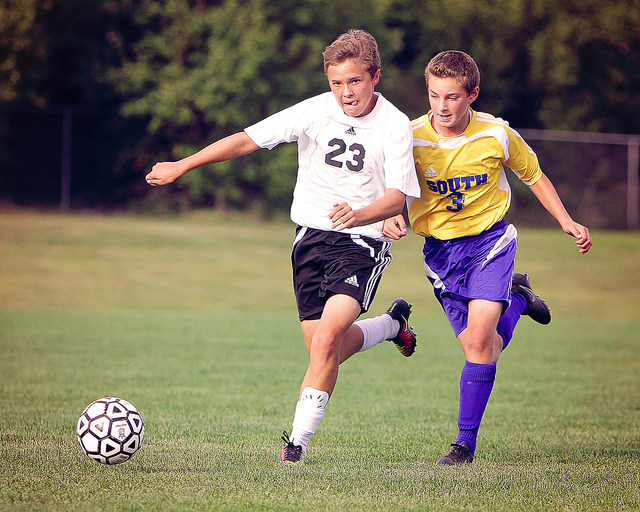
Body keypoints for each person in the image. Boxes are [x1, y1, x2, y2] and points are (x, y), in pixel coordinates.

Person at [145, 29, 422, 465]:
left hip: (361, 244)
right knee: (323, 350)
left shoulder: (395, 125)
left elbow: (397, 198)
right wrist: (184, 164)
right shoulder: (313, 112)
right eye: (336, 82)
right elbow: (246, 140)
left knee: (328, 337)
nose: (345, 92)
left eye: (354, 81)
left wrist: (363, 214)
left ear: (375, 77)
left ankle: (295, 444)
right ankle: (391, 326)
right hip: (310, 241)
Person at [383, 50, 592, 465]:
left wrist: (566, 220)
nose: (441, 106)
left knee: (480, 342)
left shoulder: (496, 133)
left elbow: (534, 174)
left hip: (489, 243)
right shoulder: (408, 136)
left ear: (472, 94)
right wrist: (391, 216)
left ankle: (464, 446)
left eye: (452, 97)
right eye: (434, 95)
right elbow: (391, 187)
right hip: (440, 254)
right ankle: (519, 301)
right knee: (482, 348)